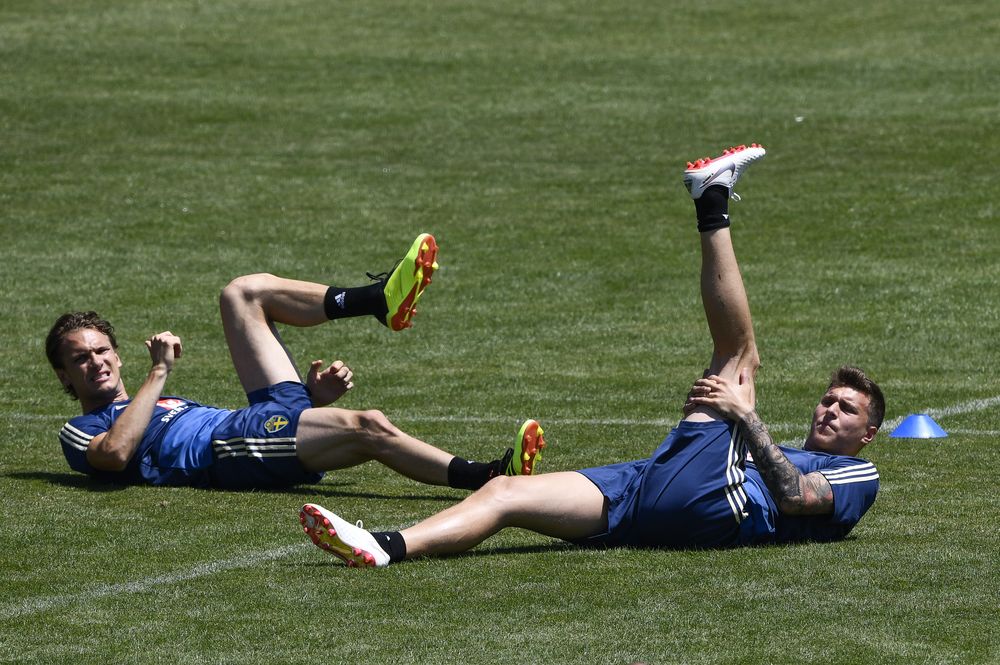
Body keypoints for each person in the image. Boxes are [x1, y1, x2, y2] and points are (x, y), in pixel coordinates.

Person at [299, 145, 886, 568]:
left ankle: (713, 201)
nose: (831, 411)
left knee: (738, 360)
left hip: (708, 509)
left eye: (848, 411)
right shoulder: (782, 450)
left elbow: (794, 499)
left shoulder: (858, 475)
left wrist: (743, 415)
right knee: (504, 495)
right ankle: (383, 545)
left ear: (869, 434)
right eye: (829, 400)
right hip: (646, 491)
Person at [47, 234, 544, 490]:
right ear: (65, 375)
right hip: (232, 445)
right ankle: (487, 477)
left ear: (115, 352)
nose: (95, 362)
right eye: (80, 359)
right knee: (367, 426)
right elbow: (114, 455)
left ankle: (376, 300)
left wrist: (309, 402)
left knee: (242, 292)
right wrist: (158, 371)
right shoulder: (82, 427)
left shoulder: (151, 401)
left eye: (100, 350)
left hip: (258, 418)